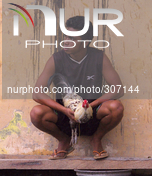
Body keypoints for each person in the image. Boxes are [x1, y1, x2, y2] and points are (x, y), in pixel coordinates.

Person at [30, 16, 124, 160]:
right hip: (65, 115)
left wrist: (89, 107)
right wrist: (63, 110)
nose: (66, 41)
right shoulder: (56, 59)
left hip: (92, 113)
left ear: (85, 42)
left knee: (116, 107)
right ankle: (64, 140)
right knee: (36, 113)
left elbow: (118, 88)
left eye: (73, 38)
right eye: (66, 36)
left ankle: (96, 139)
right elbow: (37, 93)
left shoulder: (99, 57)